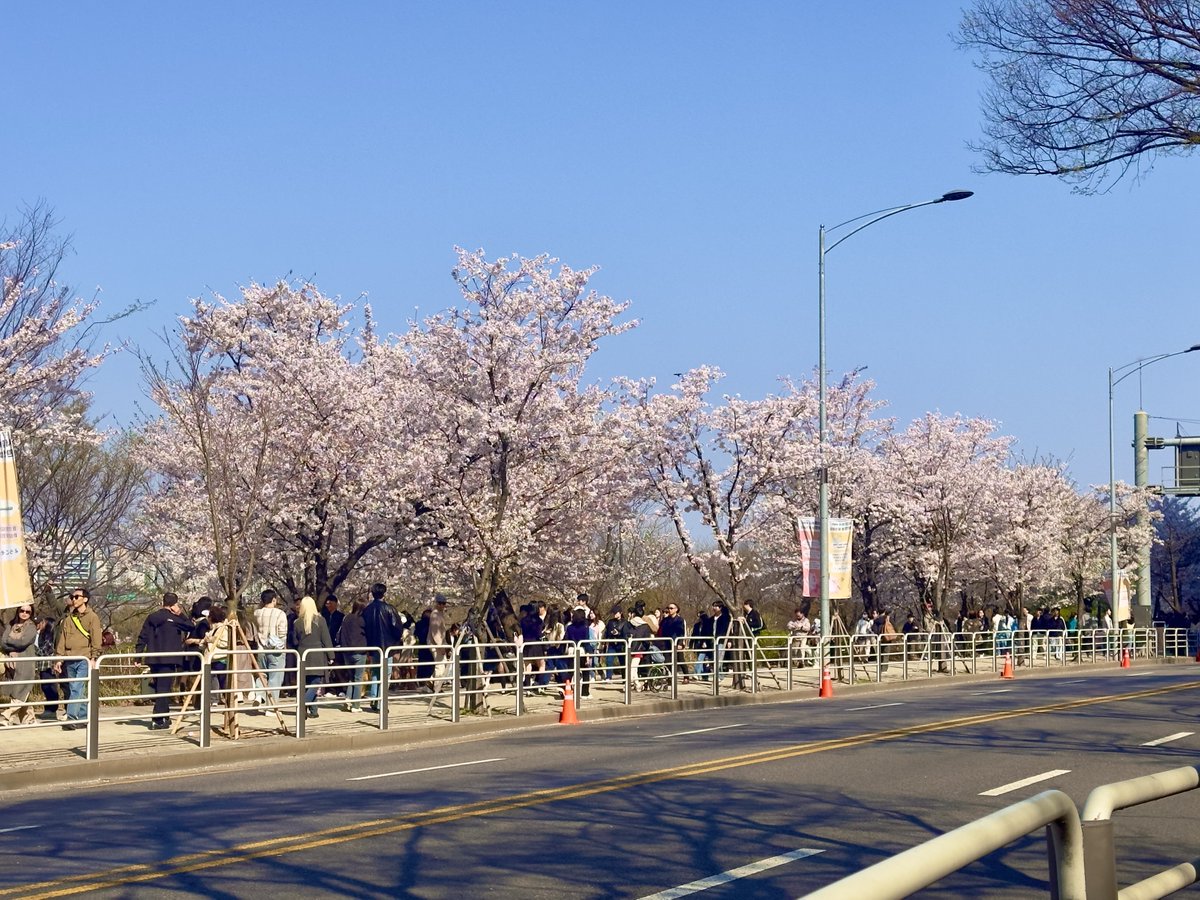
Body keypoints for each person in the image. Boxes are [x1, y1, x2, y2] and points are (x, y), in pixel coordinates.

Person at [134, 593, 198, 729]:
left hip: (153, 658)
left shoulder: (152, 617)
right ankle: (157, 719)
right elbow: (191, 627)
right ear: (174, 605)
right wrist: (180, 614)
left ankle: (165, 716)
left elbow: (143, 636)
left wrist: (138, 655)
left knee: (160, 688)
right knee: (164, 689)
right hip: (169, 659)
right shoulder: (174, 619)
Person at [53, 588, 103, 730]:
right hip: (69, 657)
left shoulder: (92, 617)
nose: (74, 599)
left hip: (84, 658)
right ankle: (83, 717)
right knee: (75, 688)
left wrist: (94, 657)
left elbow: (96, 639)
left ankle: (71, 718)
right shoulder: (69, 618)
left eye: (77, 597)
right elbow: (62, 639)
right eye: (72, 597)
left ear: (85, 599)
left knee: (76, 688)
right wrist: (58, 659)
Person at [361, 583, 404, 712]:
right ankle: (381, 703)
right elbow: (397, 628)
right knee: (385, 675)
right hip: (387, 648)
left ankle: (374, 699)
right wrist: (396, 641)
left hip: (373, 647)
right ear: (384, 593)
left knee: (375, 673)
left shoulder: (367, 610)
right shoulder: (389, 609)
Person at [292, 596, 332, 718]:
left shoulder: (297, 622)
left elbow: (294, 641)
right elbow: (326, 639)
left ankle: (314, 711)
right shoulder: (320, 620)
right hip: (317, 654)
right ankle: (302, 704)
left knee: (307, 683)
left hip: (302, 654)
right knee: (315, 682)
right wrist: (331, 655)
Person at [1, 605, 38, 725]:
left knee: (22, 687)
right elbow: (3, 642)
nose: (24, 613)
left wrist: (9, 641)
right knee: (20, 689)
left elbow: (24, 642)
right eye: (22, 610)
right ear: (18, 611)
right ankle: (29, 718)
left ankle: (7, 716)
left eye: (28, 611)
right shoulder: (11, 624)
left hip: (26, 661)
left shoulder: (31, 627)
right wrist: (11, 650)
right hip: (11, 661)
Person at [253, 590, 288, 710]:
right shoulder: (280, 614)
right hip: (275, 649)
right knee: (275, 678)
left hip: (261, 648)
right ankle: (271, 707)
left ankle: (259, 694)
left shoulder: (257, 613)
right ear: (274, 599)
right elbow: (282, 633)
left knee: (262, 674)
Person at [337, 597, 368, 711]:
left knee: (351, 677)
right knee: (358, 678)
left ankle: (348, 698)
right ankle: (356, 705)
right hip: (359, 651)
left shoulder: (346, 618)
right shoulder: (363, 620)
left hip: (346, 651)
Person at [34, 615, 63, 721]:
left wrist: (33, 648)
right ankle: (49, 709)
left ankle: (52, 710)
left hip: (48, 665)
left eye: (41, 623)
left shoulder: (49, 636)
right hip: (42, 665)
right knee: (45, 687)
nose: (38, 625)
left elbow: (44, 652)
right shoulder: (40, 634)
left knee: (50, 687)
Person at [564, 606, 591, 697]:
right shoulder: (585, 627)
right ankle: (585, 693)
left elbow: (566, 639)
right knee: (585, 671)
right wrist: (588, 653)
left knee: (570, 671)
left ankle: (566, 689)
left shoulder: (569, 627)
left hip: (572, 650)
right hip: (582, 650)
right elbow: (586, 642)